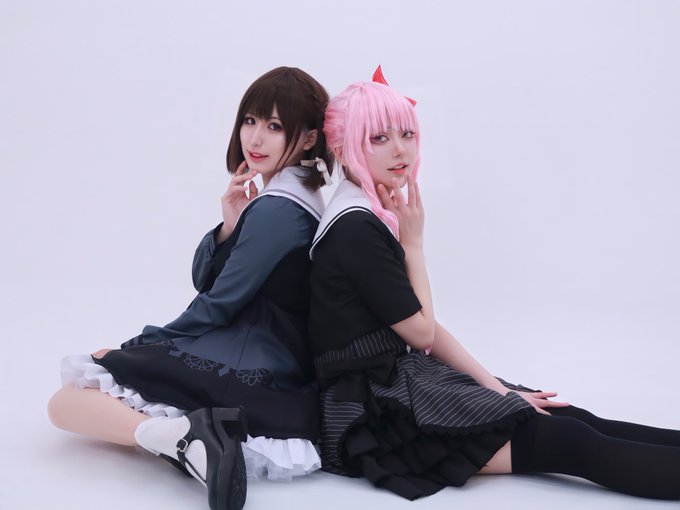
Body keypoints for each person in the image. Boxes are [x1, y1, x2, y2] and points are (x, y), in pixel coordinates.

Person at [308, 70, 680, 501]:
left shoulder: (368, 210)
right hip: (373, 412)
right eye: (378, 138)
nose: (400, 149)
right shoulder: (354, 227)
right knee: (572, 442)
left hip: (398, 382)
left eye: (407, 134)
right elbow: (422, 332)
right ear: (342, 148)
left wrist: (498, 388)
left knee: (571, 417)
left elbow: (419, 324)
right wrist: (413, 245)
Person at [48, 66, 334, 510]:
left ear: (310, 138)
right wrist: (231, 224)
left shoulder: (279, 208)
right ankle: (184, 441)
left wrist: (139, 346)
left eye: (275, 126)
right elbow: (209, 278)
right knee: (81, 394)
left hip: (248, 356)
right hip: (268, 356)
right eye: (250, 121)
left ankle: (181, 439)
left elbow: (218, 302)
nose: (255, 138)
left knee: (66, 401)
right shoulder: (292, 196)